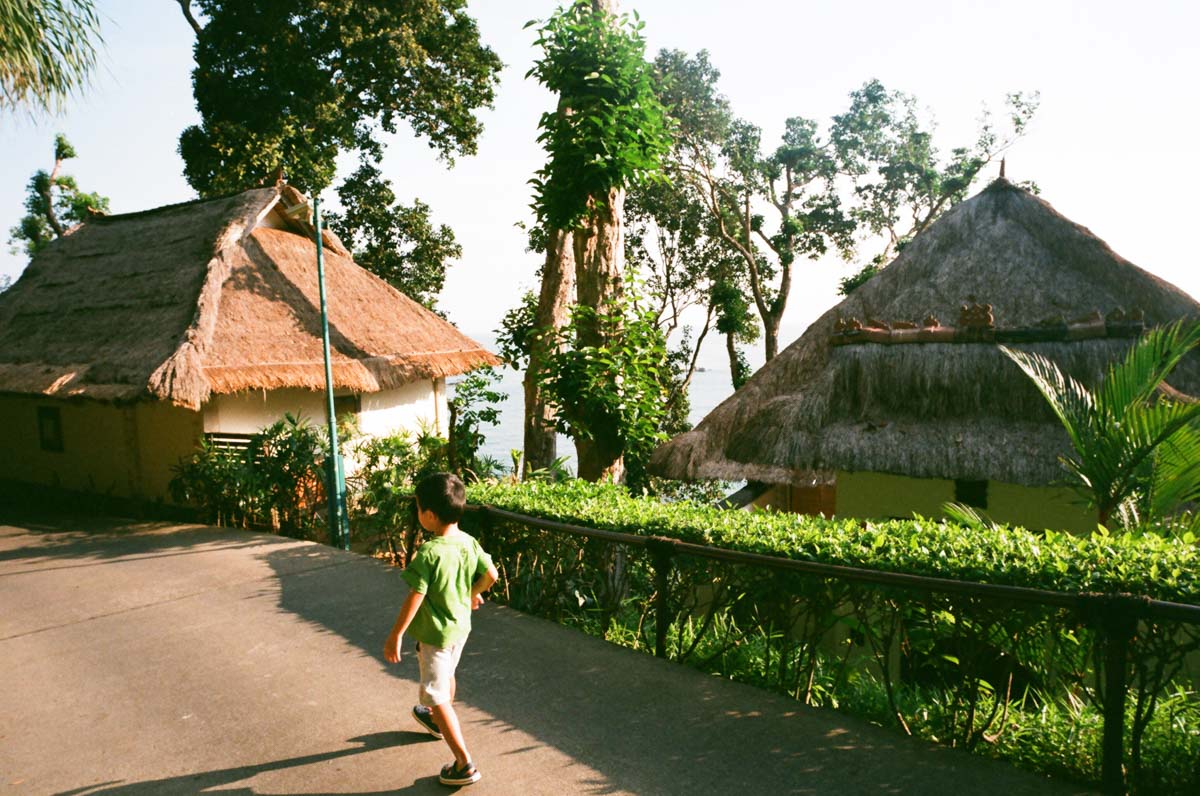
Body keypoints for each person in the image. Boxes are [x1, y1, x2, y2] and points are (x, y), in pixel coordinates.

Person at [383, 472, 498, 787]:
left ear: (429, 515)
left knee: (436, 695)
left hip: (435, 636)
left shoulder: (429, 553)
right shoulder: (468, 542)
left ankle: (464, 764)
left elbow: (415, 596)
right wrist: (474, 593)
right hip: (460, 629)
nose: (418, 514)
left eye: (419, 508)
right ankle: (435, 719)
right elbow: (492, 574)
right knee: (445, 678)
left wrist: (396, 635)